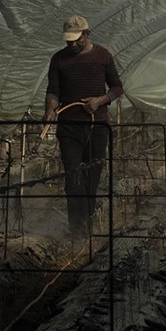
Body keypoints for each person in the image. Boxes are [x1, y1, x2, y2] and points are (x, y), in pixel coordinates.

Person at [42, 13, 124, 241]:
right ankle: (77, 231)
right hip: (69, 126)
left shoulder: (103, 56)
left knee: (92, 176)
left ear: (87, 34)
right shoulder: (58, 59)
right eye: (69, 41)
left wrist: (100, 100)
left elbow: (117, 87)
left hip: (97, 126)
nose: (73, 44)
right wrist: (50, 107)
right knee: (73, 177)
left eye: (77, 39)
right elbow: (53, 89)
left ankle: (88, 224)